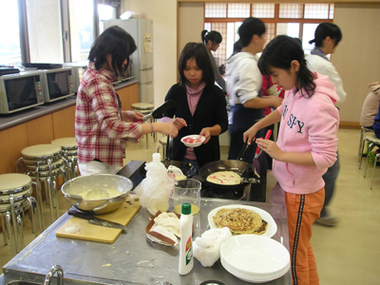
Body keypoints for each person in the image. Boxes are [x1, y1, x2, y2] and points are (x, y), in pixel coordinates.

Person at [244, 35, 339, 285]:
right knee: (301, 248)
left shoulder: (320, 105)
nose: (274, 82)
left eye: (275, 75)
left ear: (294, 66)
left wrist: (281, 154)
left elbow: (326, 157)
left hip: (302, 194)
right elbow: (282, 109)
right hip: (289, 185)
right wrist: (258, 125)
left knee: (294, 255)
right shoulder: (296, 90)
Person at [75, 26, 180, 176]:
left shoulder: (98, 76)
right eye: (123, 56)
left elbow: (97, 114)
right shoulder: (98, 82)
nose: (125, 62)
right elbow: (112, 128)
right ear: (109, 54)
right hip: (97, 161)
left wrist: (123, 114)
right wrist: (156, 127)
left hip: (101, 157)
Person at [226, 17, 282, 201]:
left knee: (238, 163)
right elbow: (249, 101)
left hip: (238, 118)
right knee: (251, 167)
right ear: (255, 37)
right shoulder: (248, 63)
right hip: (247, 121)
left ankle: (236, 196)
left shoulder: (237, 58)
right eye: (263, 36)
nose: (265, 40)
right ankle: (248, 202)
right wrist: (274, 101)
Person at [161, 42, 228, 173]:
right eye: (187, 69)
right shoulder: (175, 91)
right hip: (179, 158)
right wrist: (171, 122)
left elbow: (223, 124)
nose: (192, 74)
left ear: (206, 68)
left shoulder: (215, 93)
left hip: (207, 157)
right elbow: (164, 117)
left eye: (197, 69)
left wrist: (210, 130)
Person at [306, 22, 346, 227]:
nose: (335, 47)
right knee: (330, 165)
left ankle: (313, 206)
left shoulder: (306, 59)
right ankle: (320, 210)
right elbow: (340, 96)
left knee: (309, 161)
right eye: (335, 43)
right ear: (328, 40)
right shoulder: (323, 65)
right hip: (321, 121)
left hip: (304, 120)